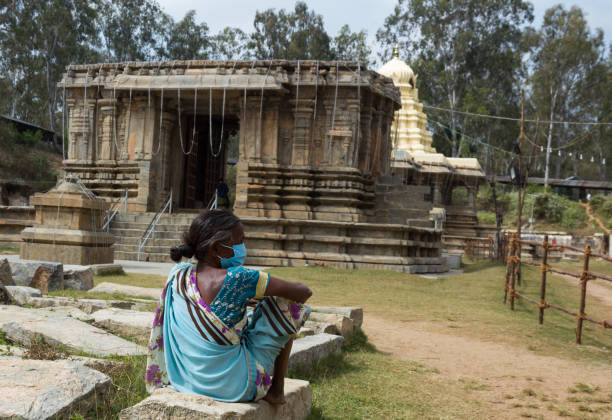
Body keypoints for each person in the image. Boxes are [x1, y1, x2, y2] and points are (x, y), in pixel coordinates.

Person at [145, 210, 312, 404]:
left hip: (187, 380)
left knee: (251, 311)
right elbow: (303, 292)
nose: (243, 247)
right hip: (237, 386)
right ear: (216, 248)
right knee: (289, 305)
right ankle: (277, 390)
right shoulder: (240, 278)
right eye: (239, 241)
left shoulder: (179, 273)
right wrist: (266, 297)